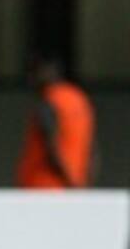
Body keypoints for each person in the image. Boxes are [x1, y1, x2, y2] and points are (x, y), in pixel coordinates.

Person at [16, 57, 95, 190]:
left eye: (34, 73)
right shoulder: (80, 100)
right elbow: (92, 150)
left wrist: (70, 183)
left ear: (47, 72)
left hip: (43, 187)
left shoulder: (49, 102)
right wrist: (82, 186)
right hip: (74, 187)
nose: (31, 80)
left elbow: (51, 150)